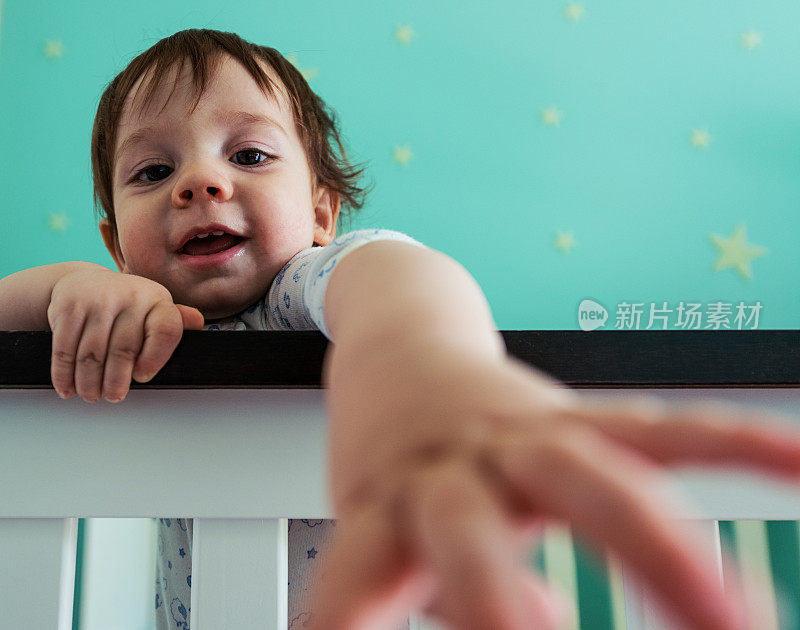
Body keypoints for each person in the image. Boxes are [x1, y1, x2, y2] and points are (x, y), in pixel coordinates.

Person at [1, 28, 798, 630]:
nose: (200, 183)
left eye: (248, 155)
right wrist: (72, 289)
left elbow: (389, 279)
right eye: (153, 172)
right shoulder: (134, 333)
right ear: (114, 243)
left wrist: (423, 363)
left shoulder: (299, 293)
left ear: (320, 214)